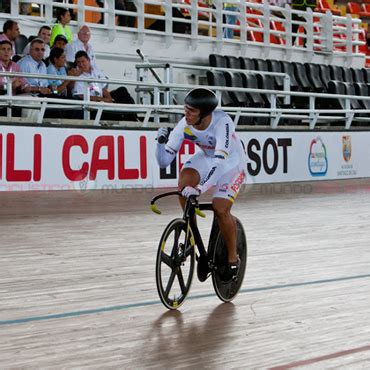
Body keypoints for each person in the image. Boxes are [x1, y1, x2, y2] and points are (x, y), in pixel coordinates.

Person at [155, 88, 247, 282]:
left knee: (220, 208)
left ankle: (232, 258)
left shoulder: (222, 123)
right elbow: (164, 162)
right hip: (207, 159)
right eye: (185, 109)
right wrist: (160, 143)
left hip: (231, 164)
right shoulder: (184, 124)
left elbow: (220, 163)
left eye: (191, 111)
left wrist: (200, 189)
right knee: (184, 183)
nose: (185, 114)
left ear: (204, 114)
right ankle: (191, 232)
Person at [72, 50, 137, 121]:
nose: (81, 64)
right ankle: (127, 118)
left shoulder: (96, 71)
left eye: (83, 61)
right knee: (113, 114)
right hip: (91, 104)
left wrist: (109, 100)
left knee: (122, 90)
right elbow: (81, 96)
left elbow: (103, 88)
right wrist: (103, 100)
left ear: (88, 60)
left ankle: (133, 118)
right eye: (78, 62)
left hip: (101, 99)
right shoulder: (77, 75)